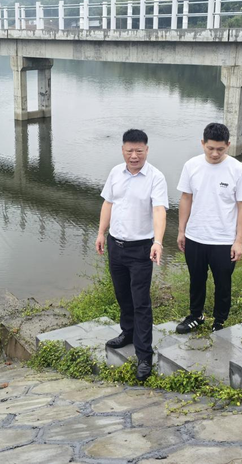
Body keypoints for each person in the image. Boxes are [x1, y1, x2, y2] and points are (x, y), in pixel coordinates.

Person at [96, 129, 168, 381]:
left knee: (141, 302)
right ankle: (127, 332)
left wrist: (157, 241)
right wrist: (100, 233)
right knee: (122, 295)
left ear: (147, 150)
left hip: (140, 249)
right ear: (123, 150)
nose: (134, 156)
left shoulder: (156, 177)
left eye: (139, 151)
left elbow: (159, 210)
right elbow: (108, 203)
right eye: (129, 151)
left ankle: (144, 355)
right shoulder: (116, 172)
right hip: (116, 246)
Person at [175, 122, 242, 334]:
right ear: (202, 144)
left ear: (228, 145)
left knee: (223, 284)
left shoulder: (238, 170)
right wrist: (182, 231)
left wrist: (238, 241)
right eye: (210, 148)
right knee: (196, 280)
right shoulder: (191, 166)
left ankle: (220, 321)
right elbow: (185, 198)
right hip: (195, 236)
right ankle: (196, 315)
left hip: (224, 240)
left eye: (220, 149)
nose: (215, 153)